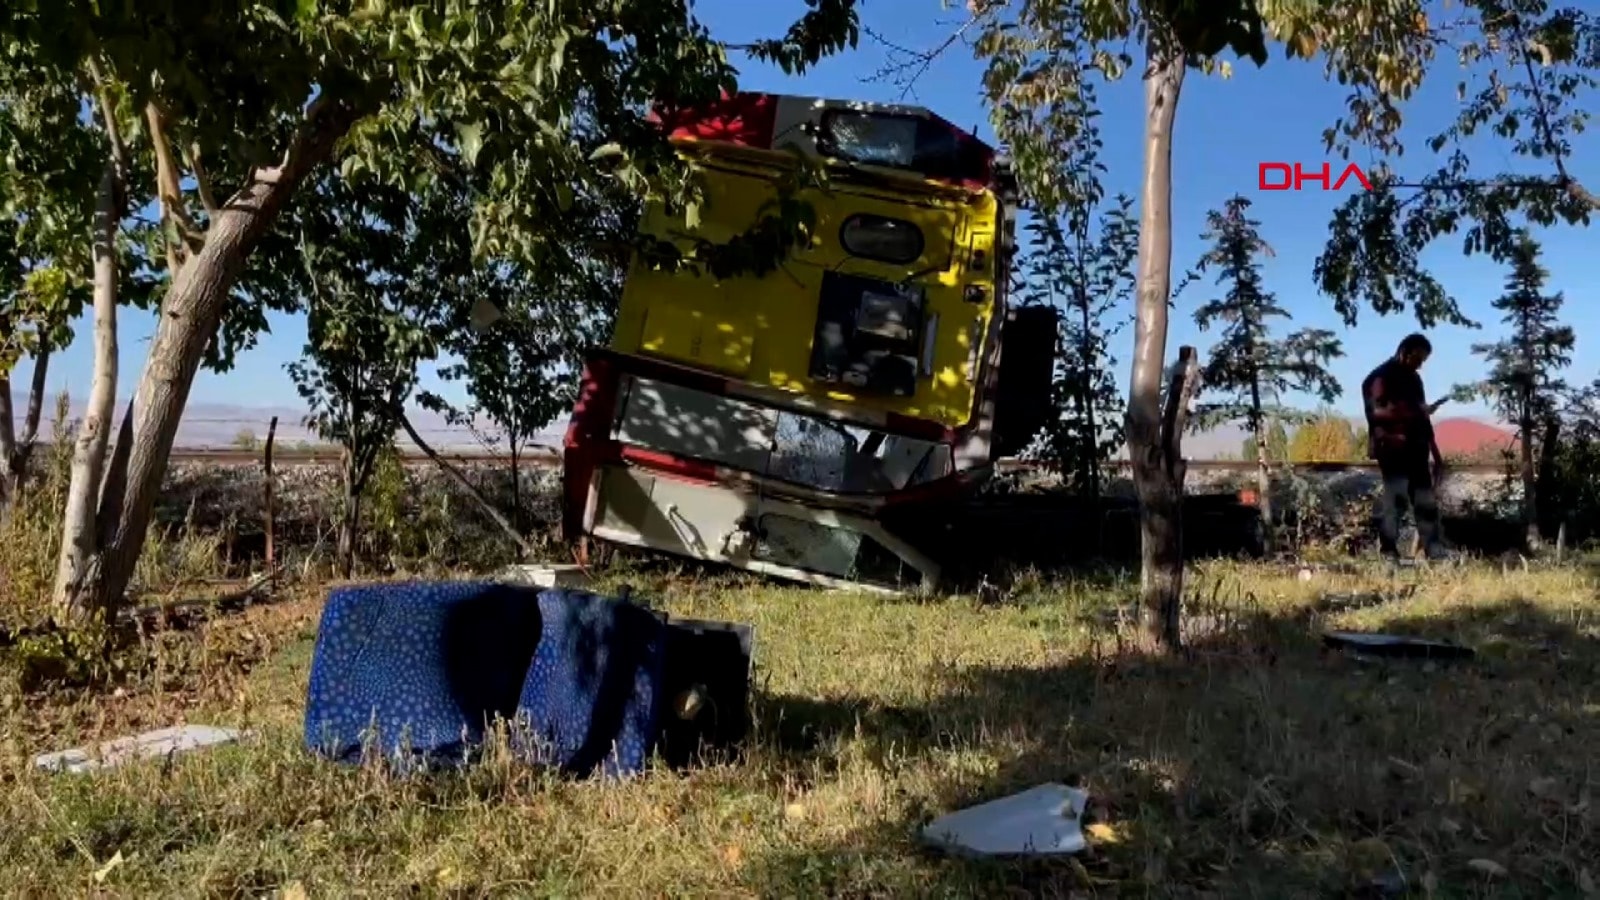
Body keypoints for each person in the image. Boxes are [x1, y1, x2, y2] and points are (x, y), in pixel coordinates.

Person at [1361, 334, 1450, 561]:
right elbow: (1376, 413)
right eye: (1417, 358)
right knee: (1396, 500)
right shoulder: (1379, 378)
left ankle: (1435, 551)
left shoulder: (1415, 380)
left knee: (1425, 502)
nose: (1419, 364)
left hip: (1417, 447)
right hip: (1392, 448)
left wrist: (1435, 452)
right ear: (1404, 352)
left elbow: (1422, 416)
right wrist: (1412, 412)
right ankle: (1388, 552)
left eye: (1423, 361)